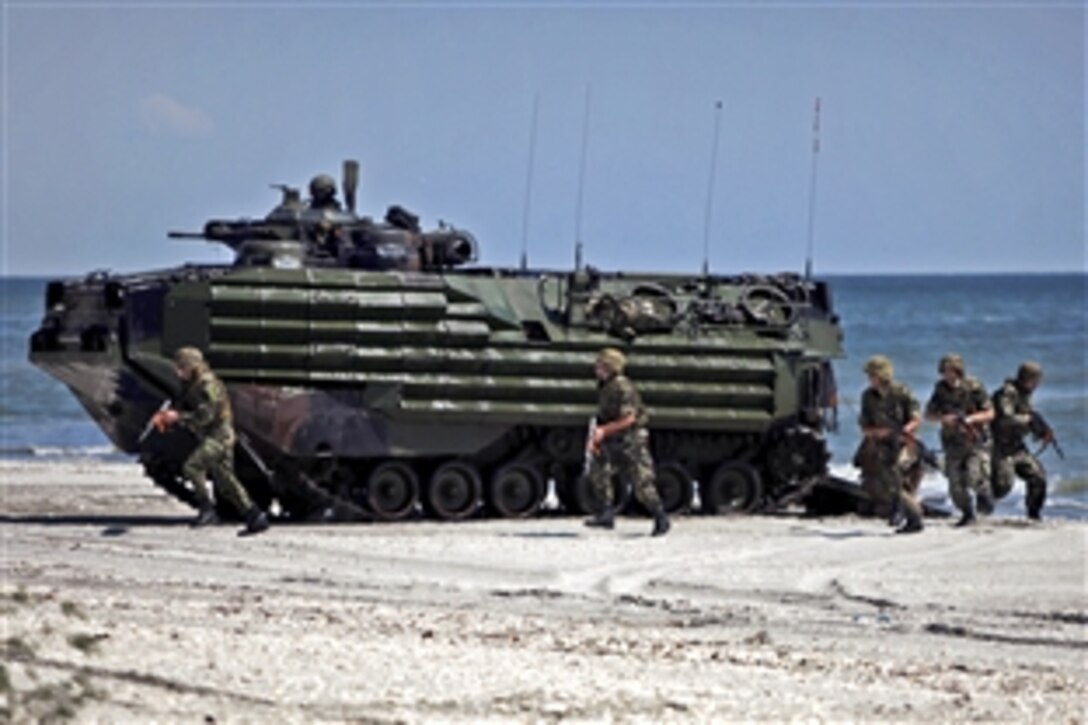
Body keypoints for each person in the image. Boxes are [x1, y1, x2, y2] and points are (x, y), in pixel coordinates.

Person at [152, 347, 270, 536]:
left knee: (192, 466)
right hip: (212, 435)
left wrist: (179, 417)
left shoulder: (207, 384)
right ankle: (254, 516)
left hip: (219, 435)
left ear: (192, 366)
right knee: (226, 481)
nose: (178, 371)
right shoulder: (191, 384)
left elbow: (206, 416)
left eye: (182, 366)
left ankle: (207, 509)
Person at [584, 348, 670, 537]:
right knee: (598, 469)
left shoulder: (622, 387)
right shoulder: (605, 386)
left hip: (632, 439)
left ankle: (660, 517)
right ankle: (606, 513)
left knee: (641, 482)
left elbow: (629, 419)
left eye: (600, 365)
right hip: (614, 437)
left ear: (609, 367)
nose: (595, 368)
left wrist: (603, 431)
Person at [855, 355, 925, 534]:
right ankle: (906, 512)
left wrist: (906, 430)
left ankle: (913, 516)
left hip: (904, 443)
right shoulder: (868, 397)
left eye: (873, 375)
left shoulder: (900, 392)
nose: (870, 379)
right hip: (881, 446)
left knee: (897, 480)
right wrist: (879, 432)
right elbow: (864, 425)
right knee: (886, 484)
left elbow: (916, 417)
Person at [924, 354, 995, 526]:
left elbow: (990, 413)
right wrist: (944, 419)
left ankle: (984, 493)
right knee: (955, 483)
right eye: (945, 371)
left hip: (975, 440)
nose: (948, 376)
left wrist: (970, 419)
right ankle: (967, 513)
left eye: (952, 371)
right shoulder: (940, 389)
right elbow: (928, 415)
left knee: (973, 475)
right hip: (952, 443)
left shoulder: (973, 387)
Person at [991, 361, 1050, 520]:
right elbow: (1005, 418)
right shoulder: (1007, 393)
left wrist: (1040, 430)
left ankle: (1033, 514)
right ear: (1027, 378)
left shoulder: (1025, 395)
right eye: (1035, 380)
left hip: (1017, 447)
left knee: (1038, 477)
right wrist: (1028, 420)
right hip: (999, 447)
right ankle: (981, 507)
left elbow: (1026, 419)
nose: (1037, 385)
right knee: (1002, 487)